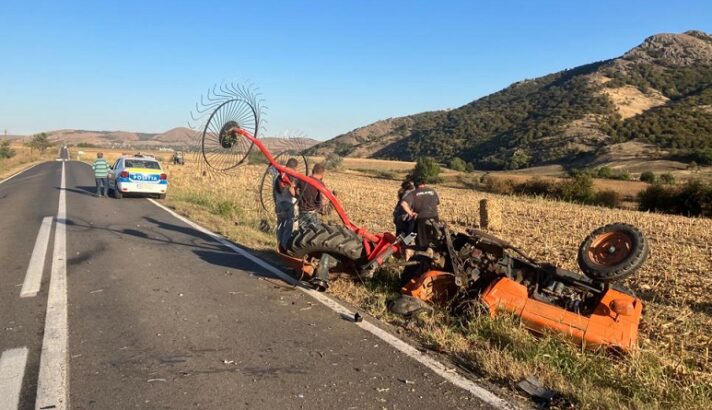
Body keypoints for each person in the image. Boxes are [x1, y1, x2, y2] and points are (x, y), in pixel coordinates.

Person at [400, 175, 440, 249]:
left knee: (414, 234)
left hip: (421, 219)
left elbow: (403, 203)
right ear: (424, 183)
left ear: (415, 184)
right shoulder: (433, 191)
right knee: (435, 238)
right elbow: (437, 203)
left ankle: (404, 245)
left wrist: (411, 213)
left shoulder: (414, 193)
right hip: (434, 218)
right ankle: (433, 251)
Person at [274, 158, 299, 252]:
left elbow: (274, 191)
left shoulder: (277, 175)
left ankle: (278, 247)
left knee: (280, 226)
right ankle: (284, 249)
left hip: (279, 203)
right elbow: (293, 193)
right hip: (290, 205)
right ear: (295, 167)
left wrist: (276, 203)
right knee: (289, 228)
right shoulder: (293, 176)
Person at [297, 163, 328, 227]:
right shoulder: (320, 184)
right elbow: (323, 200)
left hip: (302, 212)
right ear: (322, 174)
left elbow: (296, 192)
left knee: (303, 234)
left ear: (313, 171)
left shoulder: (302, 180)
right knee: (314, 234)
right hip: (314, 213)